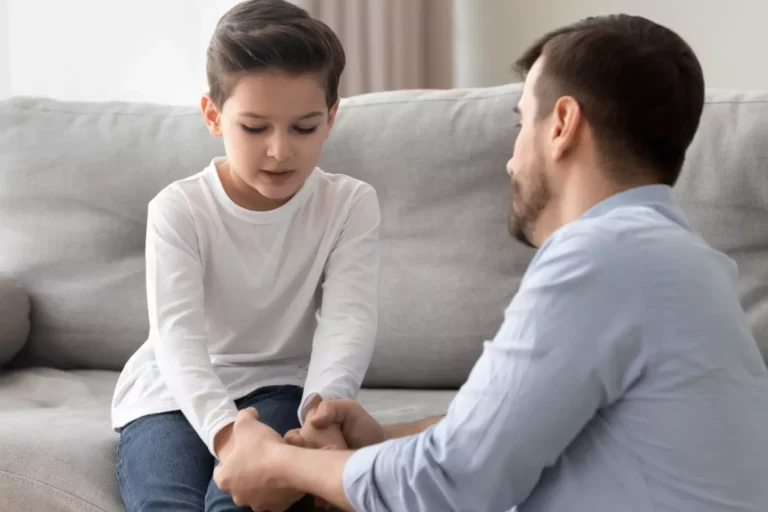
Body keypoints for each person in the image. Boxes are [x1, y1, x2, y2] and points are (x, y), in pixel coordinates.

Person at [212, 13, 768, 512]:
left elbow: (448, 488)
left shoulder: (599, 259)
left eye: (521, 121)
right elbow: (525, 425)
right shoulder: (690, 263)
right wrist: (380, 438)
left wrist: (278, 462)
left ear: (562, 124)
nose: (509, 161)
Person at [110, 1, 379, 510]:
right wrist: (229, 435)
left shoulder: (350, 204)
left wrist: (321, 416)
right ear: (213, 116)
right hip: (170, 396)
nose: (280, 151)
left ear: (332, 117)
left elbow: (349, 320)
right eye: (255, 128)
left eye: (304, 127)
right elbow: (178, 338)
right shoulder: (178, 209)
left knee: (237, 505)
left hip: (281, 388)